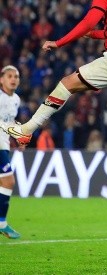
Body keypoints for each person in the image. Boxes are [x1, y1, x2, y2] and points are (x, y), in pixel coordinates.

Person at [0, 0, 107, 202]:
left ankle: (27, 130)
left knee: (66, 84)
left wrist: (59, 42)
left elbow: (89, 22)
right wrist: (93, 34)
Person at [0, 65, 22, 239]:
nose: (13, 79)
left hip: (4, 146)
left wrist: (18, 136)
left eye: (16, 76)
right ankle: (2, 223)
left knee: (7, 182)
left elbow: (9, 122)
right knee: (8, 181)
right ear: (1, 79)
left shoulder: (16, 99)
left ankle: (2, 223)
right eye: (9, 76)